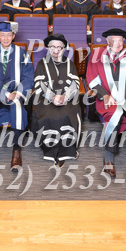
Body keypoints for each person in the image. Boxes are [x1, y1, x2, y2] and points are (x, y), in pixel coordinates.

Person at [86, 28, 126, 178]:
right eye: (113, 40)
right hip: (107, 99)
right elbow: (92, 80)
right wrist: (105, 95)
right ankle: (108, 158)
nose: (117, 43)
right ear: (107, 41)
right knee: (114, 115)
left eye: (120, 40)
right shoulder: (97, 55)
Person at [0, 21, 35, 171]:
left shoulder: (22, 53)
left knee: (18, 109)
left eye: (9, 35)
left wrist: (18, 92)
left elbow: (28, 78)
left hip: (13, 94)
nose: (6, 38)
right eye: (3, 35)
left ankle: (16, 150)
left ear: (13, 36)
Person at [32, 34, 81, 167]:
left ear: (64, 48)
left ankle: (67, 151)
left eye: (59, 47)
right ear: (48, 48)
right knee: (49, 116)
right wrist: (52, 97)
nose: (55, 50)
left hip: (67, 99)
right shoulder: (42, 63)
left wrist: (65, 96)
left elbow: (75, 84)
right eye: (52, 47)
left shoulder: (70, 64)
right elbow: (39, 84)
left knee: (66, 114)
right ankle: (51, 151)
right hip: (46, 99)